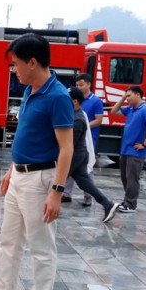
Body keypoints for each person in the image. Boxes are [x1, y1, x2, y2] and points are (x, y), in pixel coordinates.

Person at [0, 34, 73, 290]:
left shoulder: (58, 97)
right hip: (19, 176)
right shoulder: (29, 91)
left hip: (41, 179)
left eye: (15, 64)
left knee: (41, 246)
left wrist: (56, 191)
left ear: (33, 62)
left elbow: (67, 148)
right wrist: (11, 170)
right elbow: (28, 136)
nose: (13, 70)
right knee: (9, 240)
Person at [66, 87, 120, 223]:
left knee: (53, 179)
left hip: (76, 155)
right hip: (80, 154)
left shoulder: (78, 118)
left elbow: (69, 143)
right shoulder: (75, 114)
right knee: (84, 183)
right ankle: (108, 204)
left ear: (75, 101)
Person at [111, 85, 146, 213]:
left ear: (138, 94)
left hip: (136, 151)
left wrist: (145, 144)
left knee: (132, 178)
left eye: (129, 96)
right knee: (125, 177)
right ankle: (127, 200)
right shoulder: (130, 109)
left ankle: (131, 204)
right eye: (126, 96)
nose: (127, 99)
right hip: (125, 149)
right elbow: (114, 111)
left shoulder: (145, 109)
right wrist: (123, 97)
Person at [62, 73, 105, 205]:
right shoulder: (75, 97)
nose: (79, 87)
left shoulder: (95, 101)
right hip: (76, 139)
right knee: (72, 169)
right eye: (77, 85)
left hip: (88, 138)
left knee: (86, 170)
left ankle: (89, 197)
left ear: (88, 84)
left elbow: (98, 120)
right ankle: (66, 193)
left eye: (81, 85)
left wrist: (83, 127)